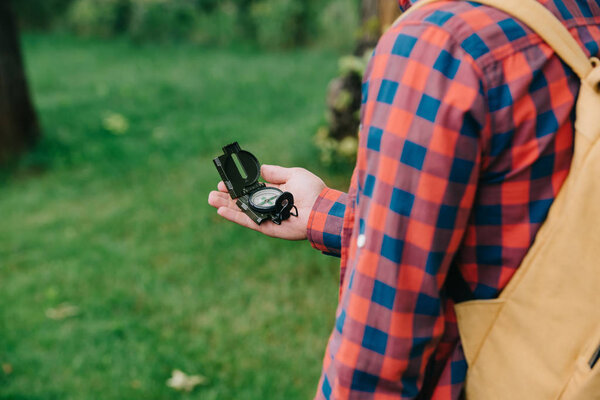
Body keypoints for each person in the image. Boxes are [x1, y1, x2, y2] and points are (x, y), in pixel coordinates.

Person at [208, 0, 600, 398]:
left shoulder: (437, 43)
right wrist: (321, 213)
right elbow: (512, 220)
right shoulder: (577, 14)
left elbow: (379, 344)